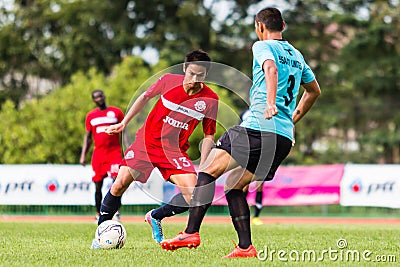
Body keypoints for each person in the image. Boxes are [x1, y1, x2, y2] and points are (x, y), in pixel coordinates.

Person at [160, 7, 321, 258]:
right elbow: (314, 91)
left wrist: (270, 103)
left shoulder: (262, 46)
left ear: (260, 27)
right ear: (284, 25)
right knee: (235, 185)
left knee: (207, 168)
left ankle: (191, 231)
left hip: (258, 127)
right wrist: (292, 119)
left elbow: (271, 70)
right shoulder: (297, 55)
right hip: (282, 138)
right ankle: (245, 247)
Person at [91, 50, 219, 248]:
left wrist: (203, 166)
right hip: (146, 144)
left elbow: (209, 134)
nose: (194, 79)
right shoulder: (168, 80)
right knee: (118, 186)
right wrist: (124, 123)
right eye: (191, 73)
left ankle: (156, 216)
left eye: (200, 75)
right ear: (185, 68)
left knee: (195, 195)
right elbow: (144, 96)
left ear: (206, 76)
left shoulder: (210, 99)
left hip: (174, 151)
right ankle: (99, 236)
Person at [80, 89, 124, 222]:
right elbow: (87, 137)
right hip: (99, 154)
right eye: (96, 97)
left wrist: (128, 149)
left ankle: (116, 212)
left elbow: (124, 131)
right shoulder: (91, 116)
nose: (99, 99)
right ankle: (99, 213)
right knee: (97, 186)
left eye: (100, 96)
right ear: (93, 100)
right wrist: (83, 155)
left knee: (118, 182)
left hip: (114, 152)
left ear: (104, 97)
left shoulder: (116, 113)